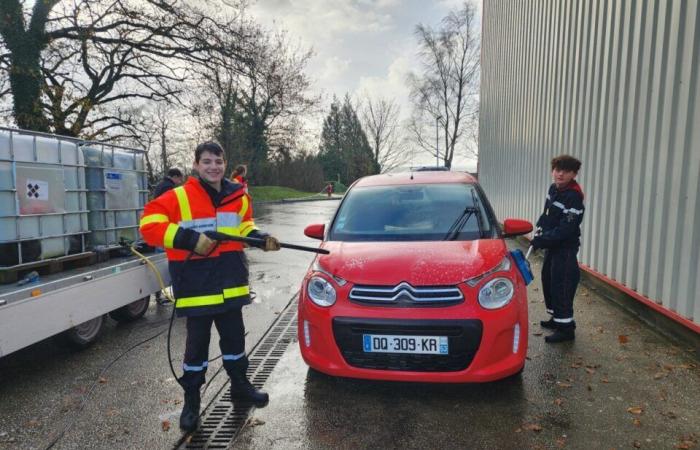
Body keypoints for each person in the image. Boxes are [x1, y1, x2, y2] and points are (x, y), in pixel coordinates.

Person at [139, 142, 281, 432]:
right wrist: (189, 239)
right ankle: (192, 402)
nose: (213, 166)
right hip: (197, 285)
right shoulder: (178, 196)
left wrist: (259, 237)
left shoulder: (238, 196)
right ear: (195, 165)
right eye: (206, 161)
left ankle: (239, 386)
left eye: (218, 161)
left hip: (230, 282)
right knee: (196, 350)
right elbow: (149, 225)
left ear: (224, 164)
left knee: (234, 342)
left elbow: (244, 226)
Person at [531, 155, 584, 343]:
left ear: (574, 174)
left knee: (562, 285)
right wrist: (540, 227)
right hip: (553, 246)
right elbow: (547, 213)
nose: (560, 174)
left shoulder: (573, 197)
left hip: (565, 249)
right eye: (557, 169)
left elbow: (566, 229)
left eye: (566, 171)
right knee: (549, 279)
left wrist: (543, 240)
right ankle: (557, 319)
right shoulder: (554, 189)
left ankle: (566, 329)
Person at [152, 168, 184, 305]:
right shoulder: (169, 188)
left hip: (159, 228)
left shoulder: (160, 185)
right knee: (171, 263)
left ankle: (158, 294)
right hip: (166, 229)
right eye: (179, 179)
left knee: (159, 262)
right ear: (175, 177)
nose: (179, 182)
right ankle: (176, 294)